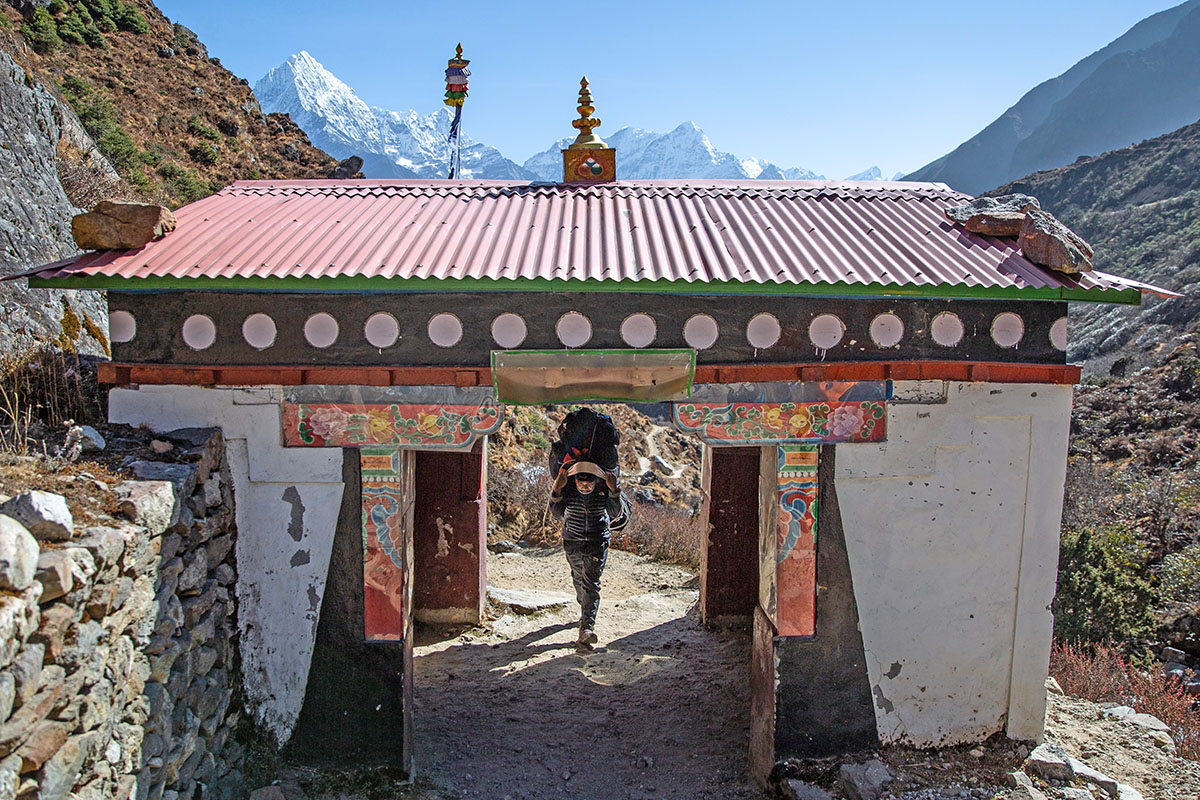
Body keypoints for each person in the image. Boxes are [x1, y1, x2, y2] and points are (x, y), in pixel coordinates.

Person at [548, 459, 621, 649]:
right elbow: (556, 513)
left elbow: (614, 513)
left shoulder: (604, 488)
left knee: (591, 584)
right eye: (581, 482)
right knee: (578, 577)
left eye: (589, 483)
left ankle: (587, 627)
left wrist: (614, 491)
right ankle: (584, 605)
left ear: (596, 480)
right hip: (573, 541)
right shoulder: (568, 488)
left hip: (597, 542)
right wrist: (557, 488)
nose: (585, 486)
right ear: (575, 480)